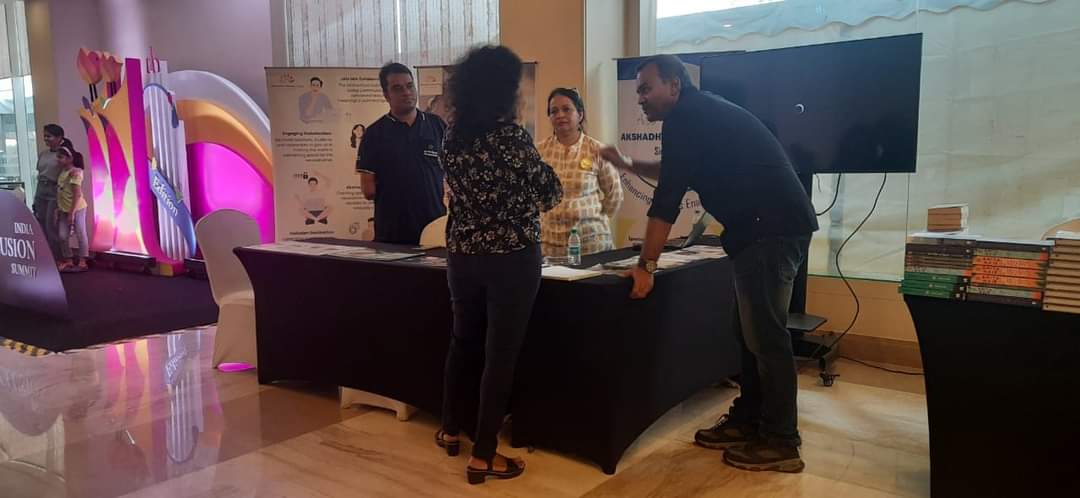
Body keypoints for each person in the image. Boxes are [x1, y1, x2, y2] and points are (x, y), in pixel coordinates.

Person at [599, 54, 818, 473]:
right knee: (747, 335)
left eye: (646, 88)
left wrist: (646, 266)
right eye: (638, 90)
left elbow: (666, 201)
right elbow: (675, 172)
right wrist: (628, 164)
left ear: (674, 86)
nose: (640, 97)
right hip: (763, 231)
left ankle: (782, 441)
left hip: (771, 231)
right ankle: (751, 418)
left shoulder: (686, 118)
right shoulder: (695, 114)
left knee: (766, 339)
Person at [435, 45, 562, 485]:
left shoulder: (452, 136)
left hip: (463, 255)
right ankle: (483, 456)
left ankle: (450, 429)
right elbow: (550, 192)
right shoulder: (512, 138)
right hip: (512, 257)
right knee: (500, 355)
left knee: (462, 342)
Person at [355, 62, 447, 244]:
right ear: (386, 95)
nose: (406, 92)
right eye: (397, 88)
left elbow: (451, 172)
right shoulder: (374, 133)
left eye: (410, 86)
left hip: (434, 227)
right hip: (392, 231)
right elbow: (368, 190)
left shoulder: (437, 125)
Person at [537, 88, 623, 257]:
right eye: (554, 111)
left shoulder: (598, 150)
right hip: (550, 246)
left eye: (566, 109)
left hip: (591, 244)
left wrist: (591, 218)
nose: (560, 115)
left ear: (580, 115)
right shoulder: (539, 151)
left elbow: (615, 195)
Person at [33, 124, 66, 260]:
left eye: (49, 136)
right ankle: (45, 256)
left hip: (54, 190)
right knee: (40, 223)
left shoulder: (63, 155)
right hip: (41, 188)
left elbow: (67, 174)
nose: (46, 139)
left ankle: (57, 258)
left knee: (51, 225)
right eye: (45, 136)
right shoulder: (43, 154)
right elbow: (40, 174)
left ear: (59, 138)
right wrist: (35, 197)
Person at [55, 145, 89, 272]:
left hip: (77, 209)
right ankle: (68, 259)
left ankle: (83, 260)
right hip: (64, 209)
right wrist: (58, 209)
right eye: (58, 157)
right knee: (62, 235)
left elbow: (77, 195)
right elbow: (61, 192)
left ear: (69, 159)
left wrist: (72, 213)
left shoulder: (76, 173)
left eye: (61, 157)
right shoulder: (62, 173)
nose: (58, 160)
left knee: (80, 233)